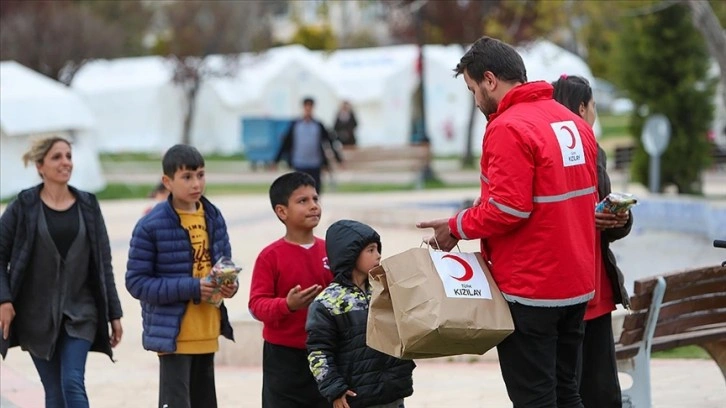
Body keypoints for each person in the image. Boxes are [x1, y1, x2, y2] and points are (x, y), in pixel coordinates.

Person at [417, 36, 599, 408]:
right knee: (568, 392)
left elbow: (509, 208)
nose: (475, 99)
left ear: (489, 80)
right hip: (577, 283)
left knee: (536, 399)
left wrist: (455, 227)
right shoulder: (573, 122)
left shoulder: (507, 127)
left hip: (531, 288)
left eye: (472, 89)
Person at [0, 136, 124, 408]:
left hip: (82, 313)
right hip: (35, 317)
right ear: (40, 166)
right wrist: (4, 300)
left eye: (68, 156)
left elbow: (104, 263)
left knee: (72, 382)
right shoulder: (23, 206)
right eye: (57, 157)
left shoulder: (88, 206)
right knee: (54, 392)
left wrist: (114, 314)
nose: (66, 162)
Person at [125, 144, 237, 408]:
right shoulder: (151, 225)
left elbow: (225, 263)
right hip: (174, 336)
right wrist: (193, 287)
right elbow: (137, 282)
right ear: (167, 182)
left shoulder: (213, 215)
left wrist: (229, 285)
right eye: (187, 177)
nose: (196, 183)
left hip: (208, 330)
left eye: (200, 174)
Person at [552, 74, 632, 408]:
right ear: (583, 107)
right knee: (591, 389)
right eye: (594, 106)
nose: (595, 114)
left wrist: (619, 218)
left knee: (584, 386)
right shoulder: (586, 147)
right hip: (583, 287)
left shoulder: (587, 149)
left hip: (589, 286)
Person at [306, 219, 415, 408]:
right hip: (357, 398)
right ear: (350, 254)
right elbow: (319, 353)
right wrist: (334, 389)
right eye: (371, 250)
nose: (378, 256)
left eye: (378, 250)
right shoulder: (328, 303)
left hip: (393, 393)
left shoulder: (385, 290)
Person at [248, 171, 333, 408]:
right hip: (283, 357)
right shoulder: (270, 256)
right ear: (282, 211)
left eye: (315, 199)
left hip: (327, 352)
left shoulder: (333, 252)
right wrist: (287, 305)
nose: (313, 206)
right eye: (303, 201)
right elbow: (256, 305)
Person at [274, 97, 343, 194]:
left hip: (315, 163)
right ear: (303, 107)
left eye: (310, 107)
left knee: (315, 188)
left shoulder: (318, 125)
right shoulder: (295, 125)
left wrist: (338, 159)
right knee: (299, 189)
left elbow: (329, 141)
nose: (308, 109)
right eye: (306, 106)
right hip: (299, 162)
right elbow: (286, 143)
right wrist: (276, 160)